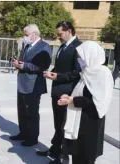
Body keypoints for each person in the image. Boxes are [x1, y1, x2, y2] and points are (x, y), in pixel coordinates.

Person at [57, 41, 113, 164]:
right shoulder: (86, 71)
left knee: (86, 158)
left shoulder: (102, 73)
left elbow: (98, 103)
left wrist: (73, 100)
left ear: (91, 55)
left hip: (90, 124)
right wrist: (69, 97)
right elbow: (81, 92)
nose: (79, 59)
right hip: (79, 122)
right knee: (77, 156)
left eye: (80, 56)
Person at [41, 21, 82, 164]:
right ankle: (55, 148)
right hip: (57, 90)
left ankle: (63, 156)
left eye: (60, 34)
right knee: (58, 123)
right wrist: (51, 73)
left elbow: (77, 72)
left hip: (67, 92)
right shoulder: (62, 46)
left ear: (69, 31)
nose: (58, 37)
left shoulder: (78, 47)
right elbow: (59, 66)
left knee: (65, 125)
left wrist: (59, 76)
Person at [10, 24, 52, 146]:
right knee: (22, 110)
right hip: (22, 83)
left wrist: (24, 66)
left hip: (34, 85)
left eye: (26, 34)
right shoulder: (27, 46)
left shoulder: (44, 47)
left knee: (32, 112)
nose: (25, 37)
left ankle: (32, 138)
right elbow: (25, 61)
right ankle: (23, 133)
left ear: (35, 34)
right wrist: (18, 63)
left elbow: (43, 66)